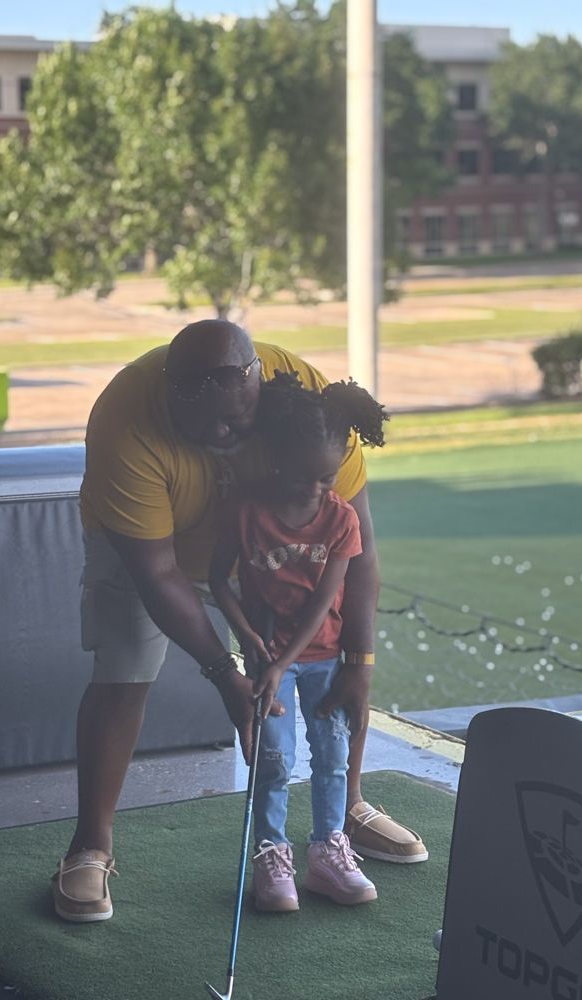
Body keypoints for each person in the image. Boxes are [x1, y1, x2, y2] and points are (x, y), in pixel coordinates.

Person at [51, 319, 427, 924]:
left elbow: (355, 547)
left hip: (271, 548)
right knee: (123, 671)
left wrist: (361, 661)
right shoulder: (125, 416)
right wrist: (225, 671)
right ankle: (90, 847)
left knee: (331, 674)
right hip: (160, 543)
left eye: (237, 420)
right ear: (173, 396)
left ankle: (345, 812)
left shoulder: (305, 390)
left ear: (259, 383)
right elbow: (159, 574)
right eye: (207, 426)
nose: (225, 435)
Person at [210, 371, 388, 910]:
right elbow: (219, 579)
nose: (316, 491)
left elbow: (320, 605)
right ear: (276, 461)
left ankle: (329, 851)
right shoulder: (246, 512)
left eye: (327, 479)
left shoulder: (340, 521)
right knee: (274, 760)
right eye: (303, 480)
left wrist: (279, 661)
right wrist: (247, 639)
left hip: (322, 659)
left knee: (333, 755)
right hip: (270, 659)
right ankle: (271, 854)